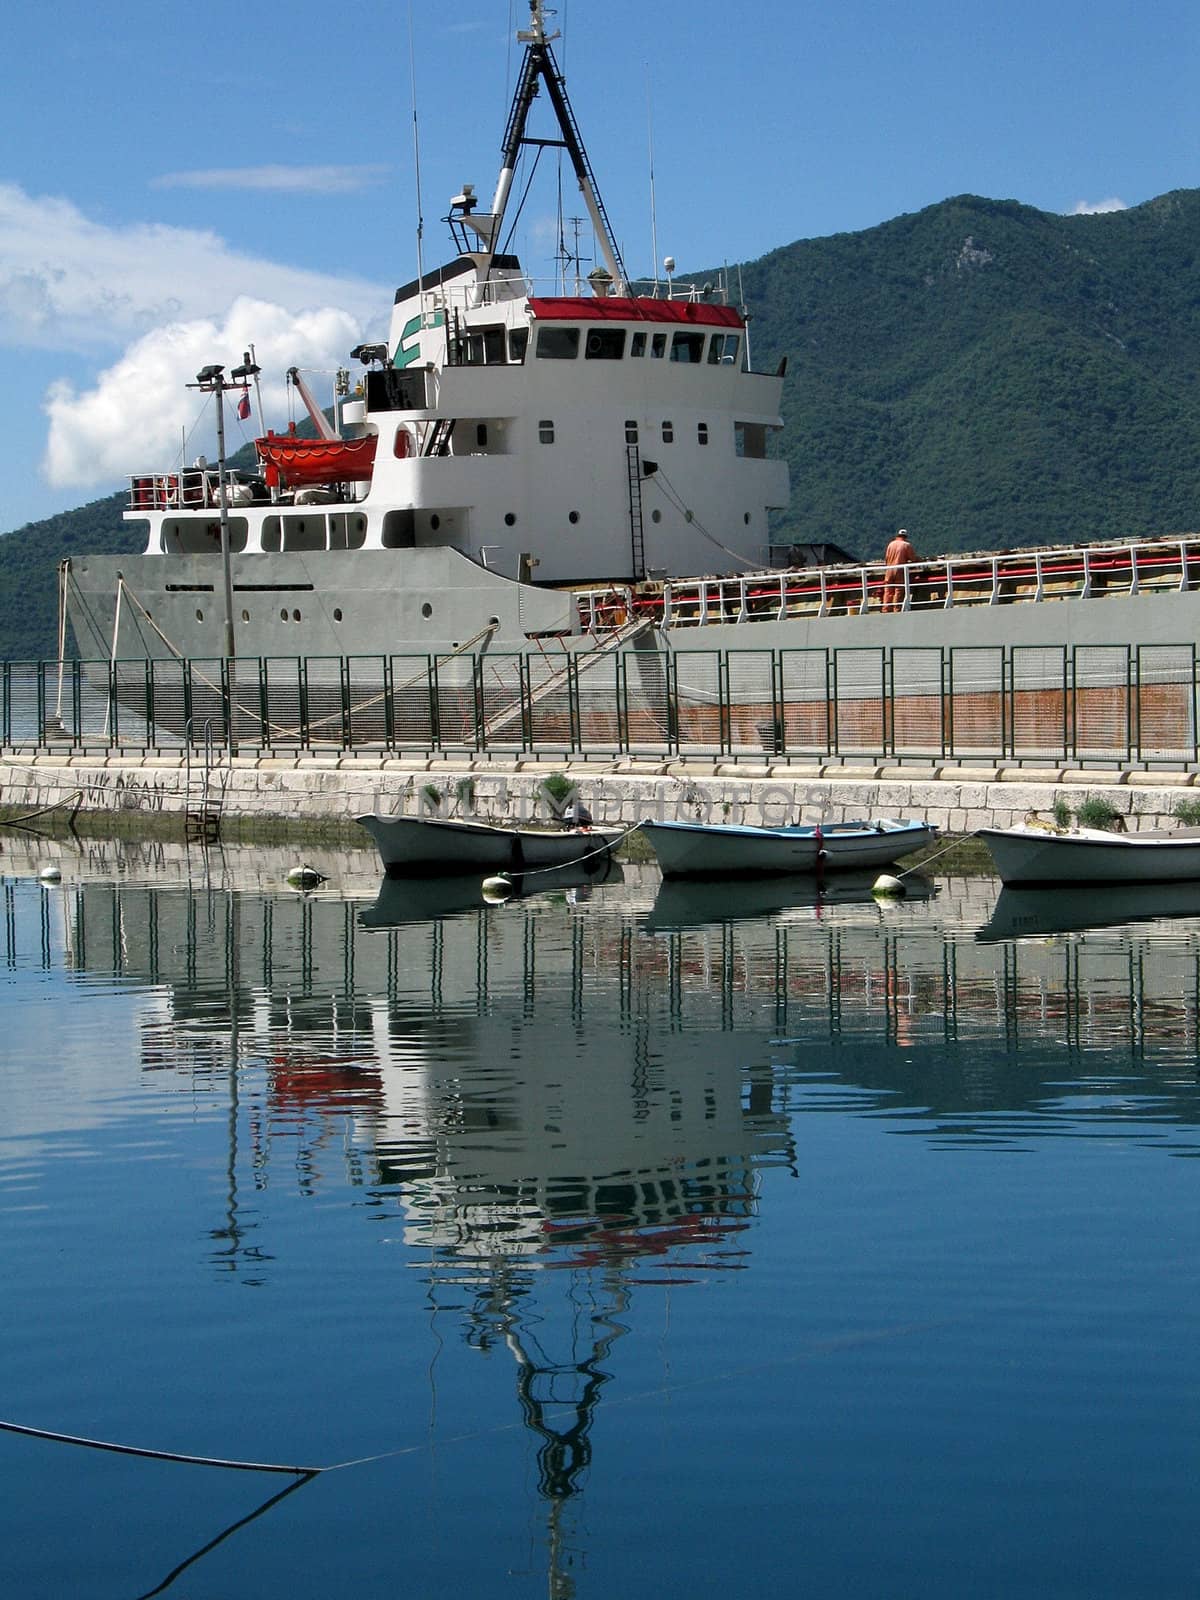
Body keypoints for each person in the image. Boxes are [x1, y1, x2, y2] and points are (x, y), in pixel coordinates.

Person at [882, 528, 917, 613]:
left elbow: (886, 558)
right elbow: (913, 558)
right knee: (898, 590)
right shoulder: (906, 545)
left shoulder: (891, 544)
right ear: (905, 536)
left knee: (888, 590)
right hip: (899, 570)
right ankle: (896, 609)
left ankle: (885, 608)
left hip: (889, 569)